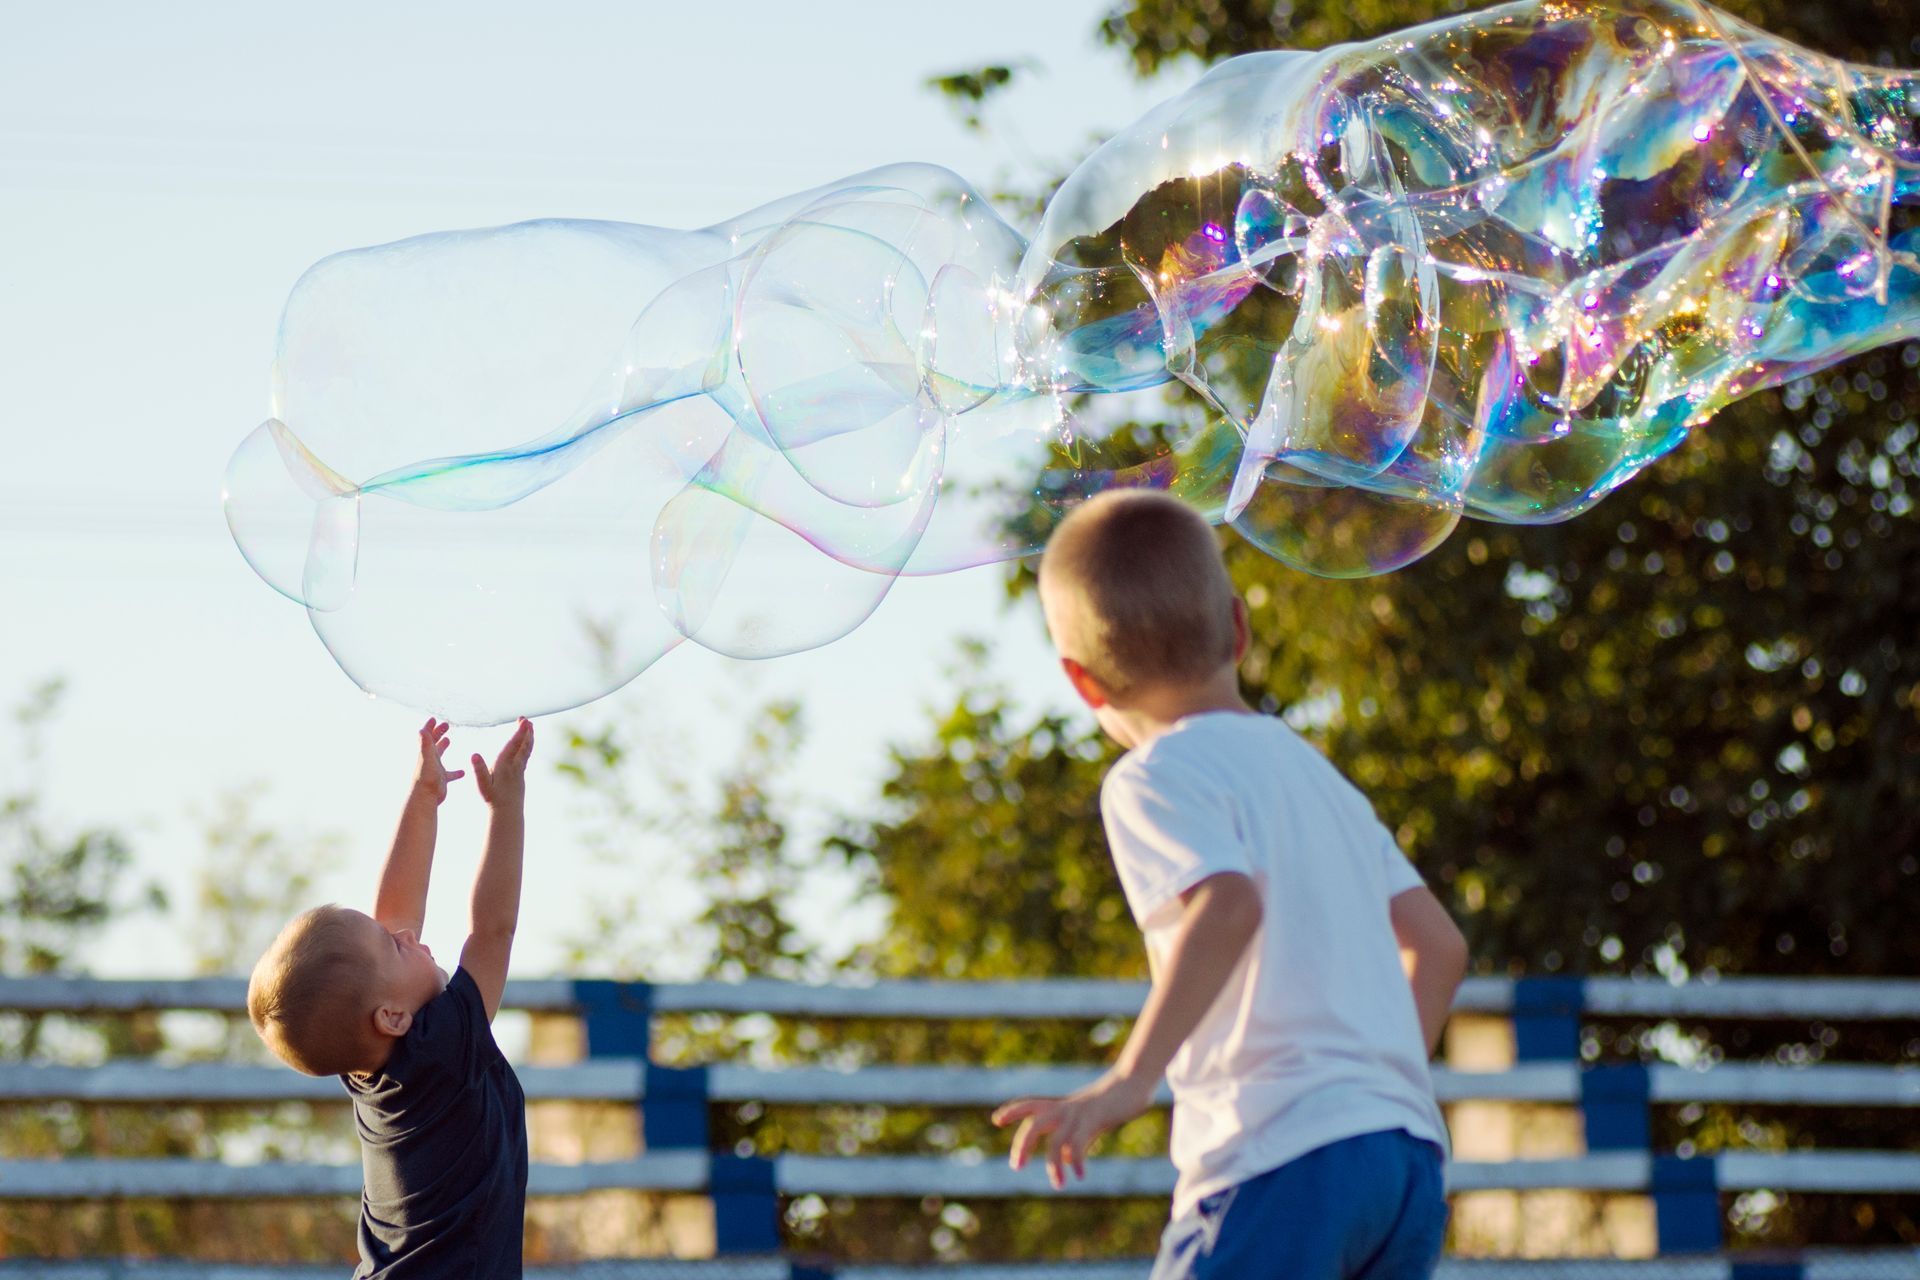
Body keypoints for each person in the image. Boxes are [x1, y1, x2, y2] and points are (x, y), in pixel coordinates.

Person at [992, 490, 1467, 1280]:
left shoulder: (1150, 778)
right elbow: (1441, 947)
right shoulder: (1322, 781)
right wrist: (1364, 1093)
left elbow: (1229, 902)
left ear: (1082, 683)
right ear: (1240, 628)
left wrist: (1126, 1080)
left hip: (1276, 1160)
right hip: (1401, 1162)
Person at [248, 717, 535, 1279]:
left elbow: (395, 914)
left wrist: (425, 798)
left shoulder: (372, 1063)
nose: (406, 934)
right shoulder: (442, 1053)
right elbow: (492, 931)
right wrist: (505, 810)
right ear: (391, 1017)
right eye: (393, 947)